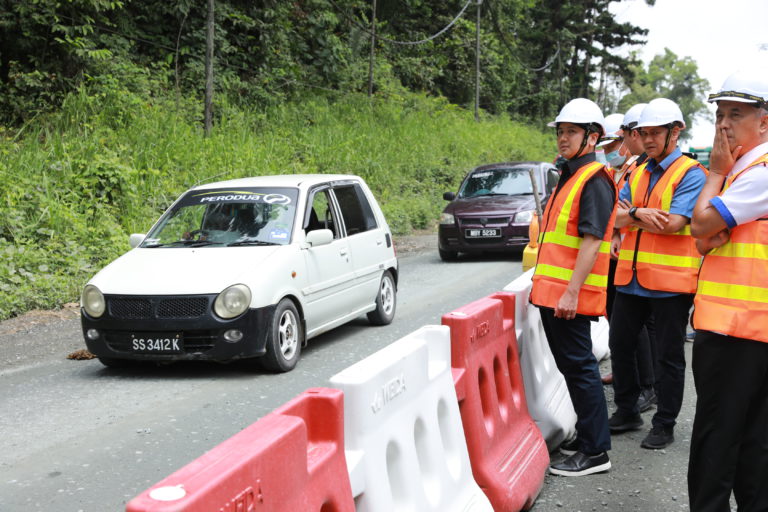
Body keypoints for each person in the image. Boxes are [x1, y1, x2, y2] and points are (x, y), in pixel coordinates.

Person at [688, 70, 768, 511]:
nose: (722, 125)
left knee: (718, 441)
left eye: (735, 115)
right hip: (747, 331)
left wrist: (715, 173)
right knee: (754, 442)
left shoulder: (756, 174)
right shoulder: (747, 173)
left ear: (764, 123)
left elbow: (701, 224)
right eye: (719, 114)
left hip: (735, 331)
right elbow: (706, 238)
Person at [607, 98, 706, 450]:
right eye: (642, 133)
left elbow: (673, 223)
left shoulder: (692, 173)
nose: (647, 140)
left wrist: (629, 214)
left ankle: (665, 423)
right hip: (631, 276)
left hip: (670, 283)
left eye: (654, 133)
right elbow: (612, 217)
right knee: (620, 343)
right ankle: (627, 409)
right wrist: (638, 212)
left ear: (675, 132)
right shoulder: (637, 170)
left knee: (668, 356)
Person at [530, 98, 617, 477]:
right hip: (554, 295)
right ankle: (588, 438)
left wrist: (571, 292)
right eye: (560, 131)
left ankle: (596, 452)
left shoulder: (594, 178)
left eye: (571, 132)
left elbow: (592, 240)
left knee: (580, 369)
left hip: (567, 297)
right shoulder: (570, 174)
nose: (563, 138)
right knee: (573, 367)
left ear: (592, 137)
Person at [603, 105, 659, 414]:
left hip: (640, 261)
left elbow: (632, 215)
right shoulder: (627, 170)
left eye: (615, 143)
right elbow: (618, 216)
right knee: (630, 328)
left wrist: (627, 219)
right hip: (624, 256)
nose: (611, 151)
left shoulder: (643, 170)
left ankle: (648, 386)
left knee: (640, 327)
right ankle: (639, 382)